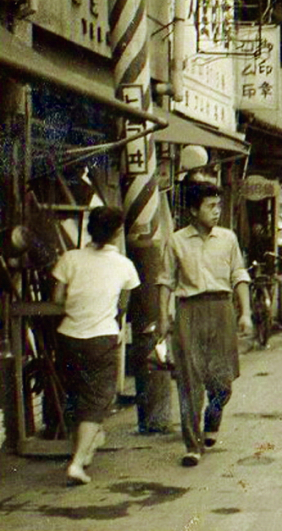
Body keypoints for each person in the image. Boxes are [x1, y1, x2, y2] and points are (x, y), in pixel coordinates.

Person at [155, 182, 251, 467]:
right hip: (188, 312)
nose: (217, 211)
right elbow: (165, 282)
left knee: (223, 382)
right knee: (189, 380)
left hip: (222, 310)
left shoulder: (228, 238)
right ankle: (192, 445)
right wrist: (163, 317)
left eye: (218, 205)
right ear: (194, 210)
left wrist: (245, 313)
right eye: (211, 206)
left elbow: (239, 276)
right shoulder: (176, 241)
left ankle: (213, 418)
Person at [51, 206, 141, 485]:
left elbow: (57, 299)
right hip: (101, 338)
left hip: (68, 336)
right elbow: (124, 305)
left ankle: (87, 445)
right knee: (97, 399)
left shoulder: (70, 258)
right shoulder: (124, 265)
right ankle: (77, 462)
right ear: (117, 233)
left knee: (78, 395)